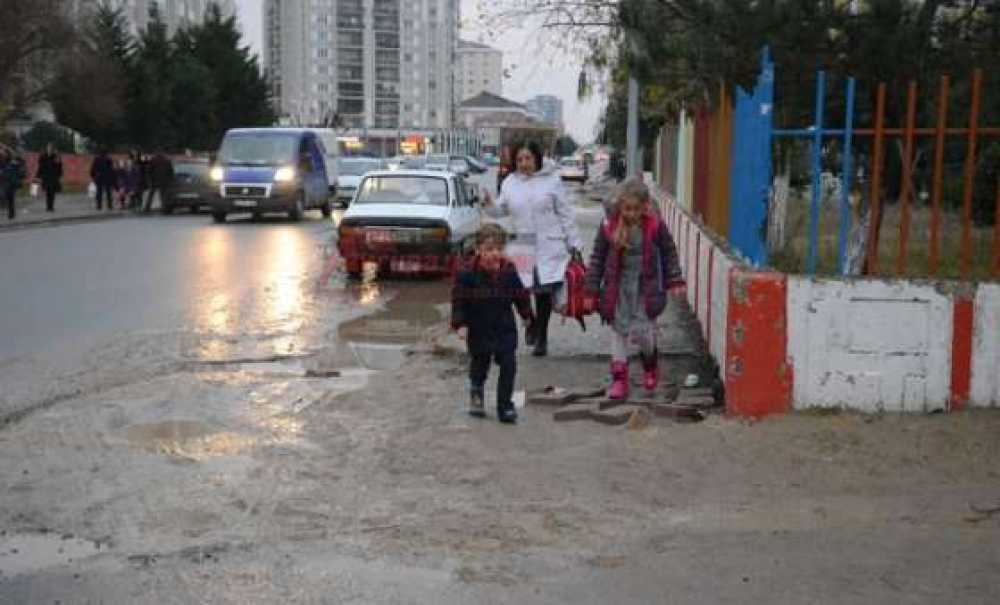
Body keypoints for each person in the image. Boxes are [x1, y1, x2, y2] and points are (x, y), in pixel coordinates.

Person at [583, 177, 684, 400]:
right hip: (617, 288)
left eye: (635, 209)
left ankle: (650, 363)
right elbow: (597, 258)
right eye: (626, 208)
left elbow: (669, 253)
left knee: (644, 332)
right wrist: (590, 291)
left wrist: (675, 280)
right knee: (618, 331)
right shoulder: (609, 227)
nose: (630, 214)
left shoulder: (654, 226)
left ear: (645, 207)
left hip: (645, 288)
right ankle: (619, 379)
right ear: (620, 206)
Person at [482, 140, 582, 357]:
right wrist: (489, 204)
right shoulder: (510, 183)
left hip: (549, 244)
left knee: (543, 293)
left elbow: (565, 213)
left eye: (528, 158)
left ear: (537, 158)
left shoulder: (552, 181)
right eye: (519, 159)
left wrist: (574, 243)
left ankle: (542, 337)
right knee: (520, 290)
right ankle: (530, 321)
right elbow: (501, 210)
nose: (524, 163)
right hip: (523, 245)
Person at [451, 223, 535, 423]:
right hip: (479, 327)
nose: (494, 254)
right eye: (489, 249)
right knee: (480, 364)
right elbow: (459, 300)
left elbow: (520, 295)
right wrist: (461, 324)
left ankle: (505, 406)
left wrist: (527, 315)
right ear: (479, 249)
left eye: (499, 249)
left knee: (509, 365)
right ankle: (477, 394)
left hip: (504, 327)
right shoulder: (467, 273)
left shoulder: (508, 270)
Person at [36, 144, 63, 212]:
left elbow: (59, 166)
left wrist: (59, 175)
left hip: (53, 177)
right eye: (48, 148)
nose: (49, 150)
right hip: (46, 177)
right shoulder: (43, 156)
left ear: (52, 150)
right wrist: (38, 176)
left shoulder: (55, 157)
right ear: (47, 149)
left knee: (52, 193)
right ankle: (48, 207)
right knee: (48, 192)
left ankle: (51, 207)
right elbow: (40, 166)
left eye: (51, 148)